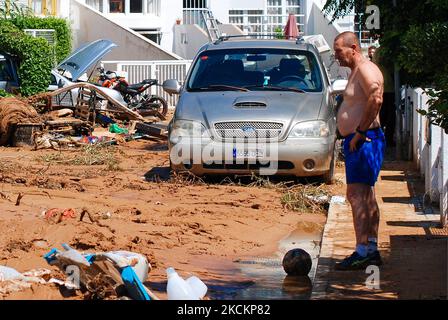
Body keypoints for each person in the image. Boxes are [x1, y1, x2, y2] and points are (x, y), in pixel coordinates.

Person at [333, 31, 386, 270]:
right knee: (366, 195)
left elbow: (376, 97)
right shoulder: (357, 70)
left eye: (338, 51)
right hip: (362, 140)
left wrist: (361, 132)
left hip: (364, 140)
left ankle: (363, 251)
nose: (336, 57)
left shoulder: (365, 69)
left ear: (353, 48)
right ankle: (370, 250)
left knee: (356, 196)